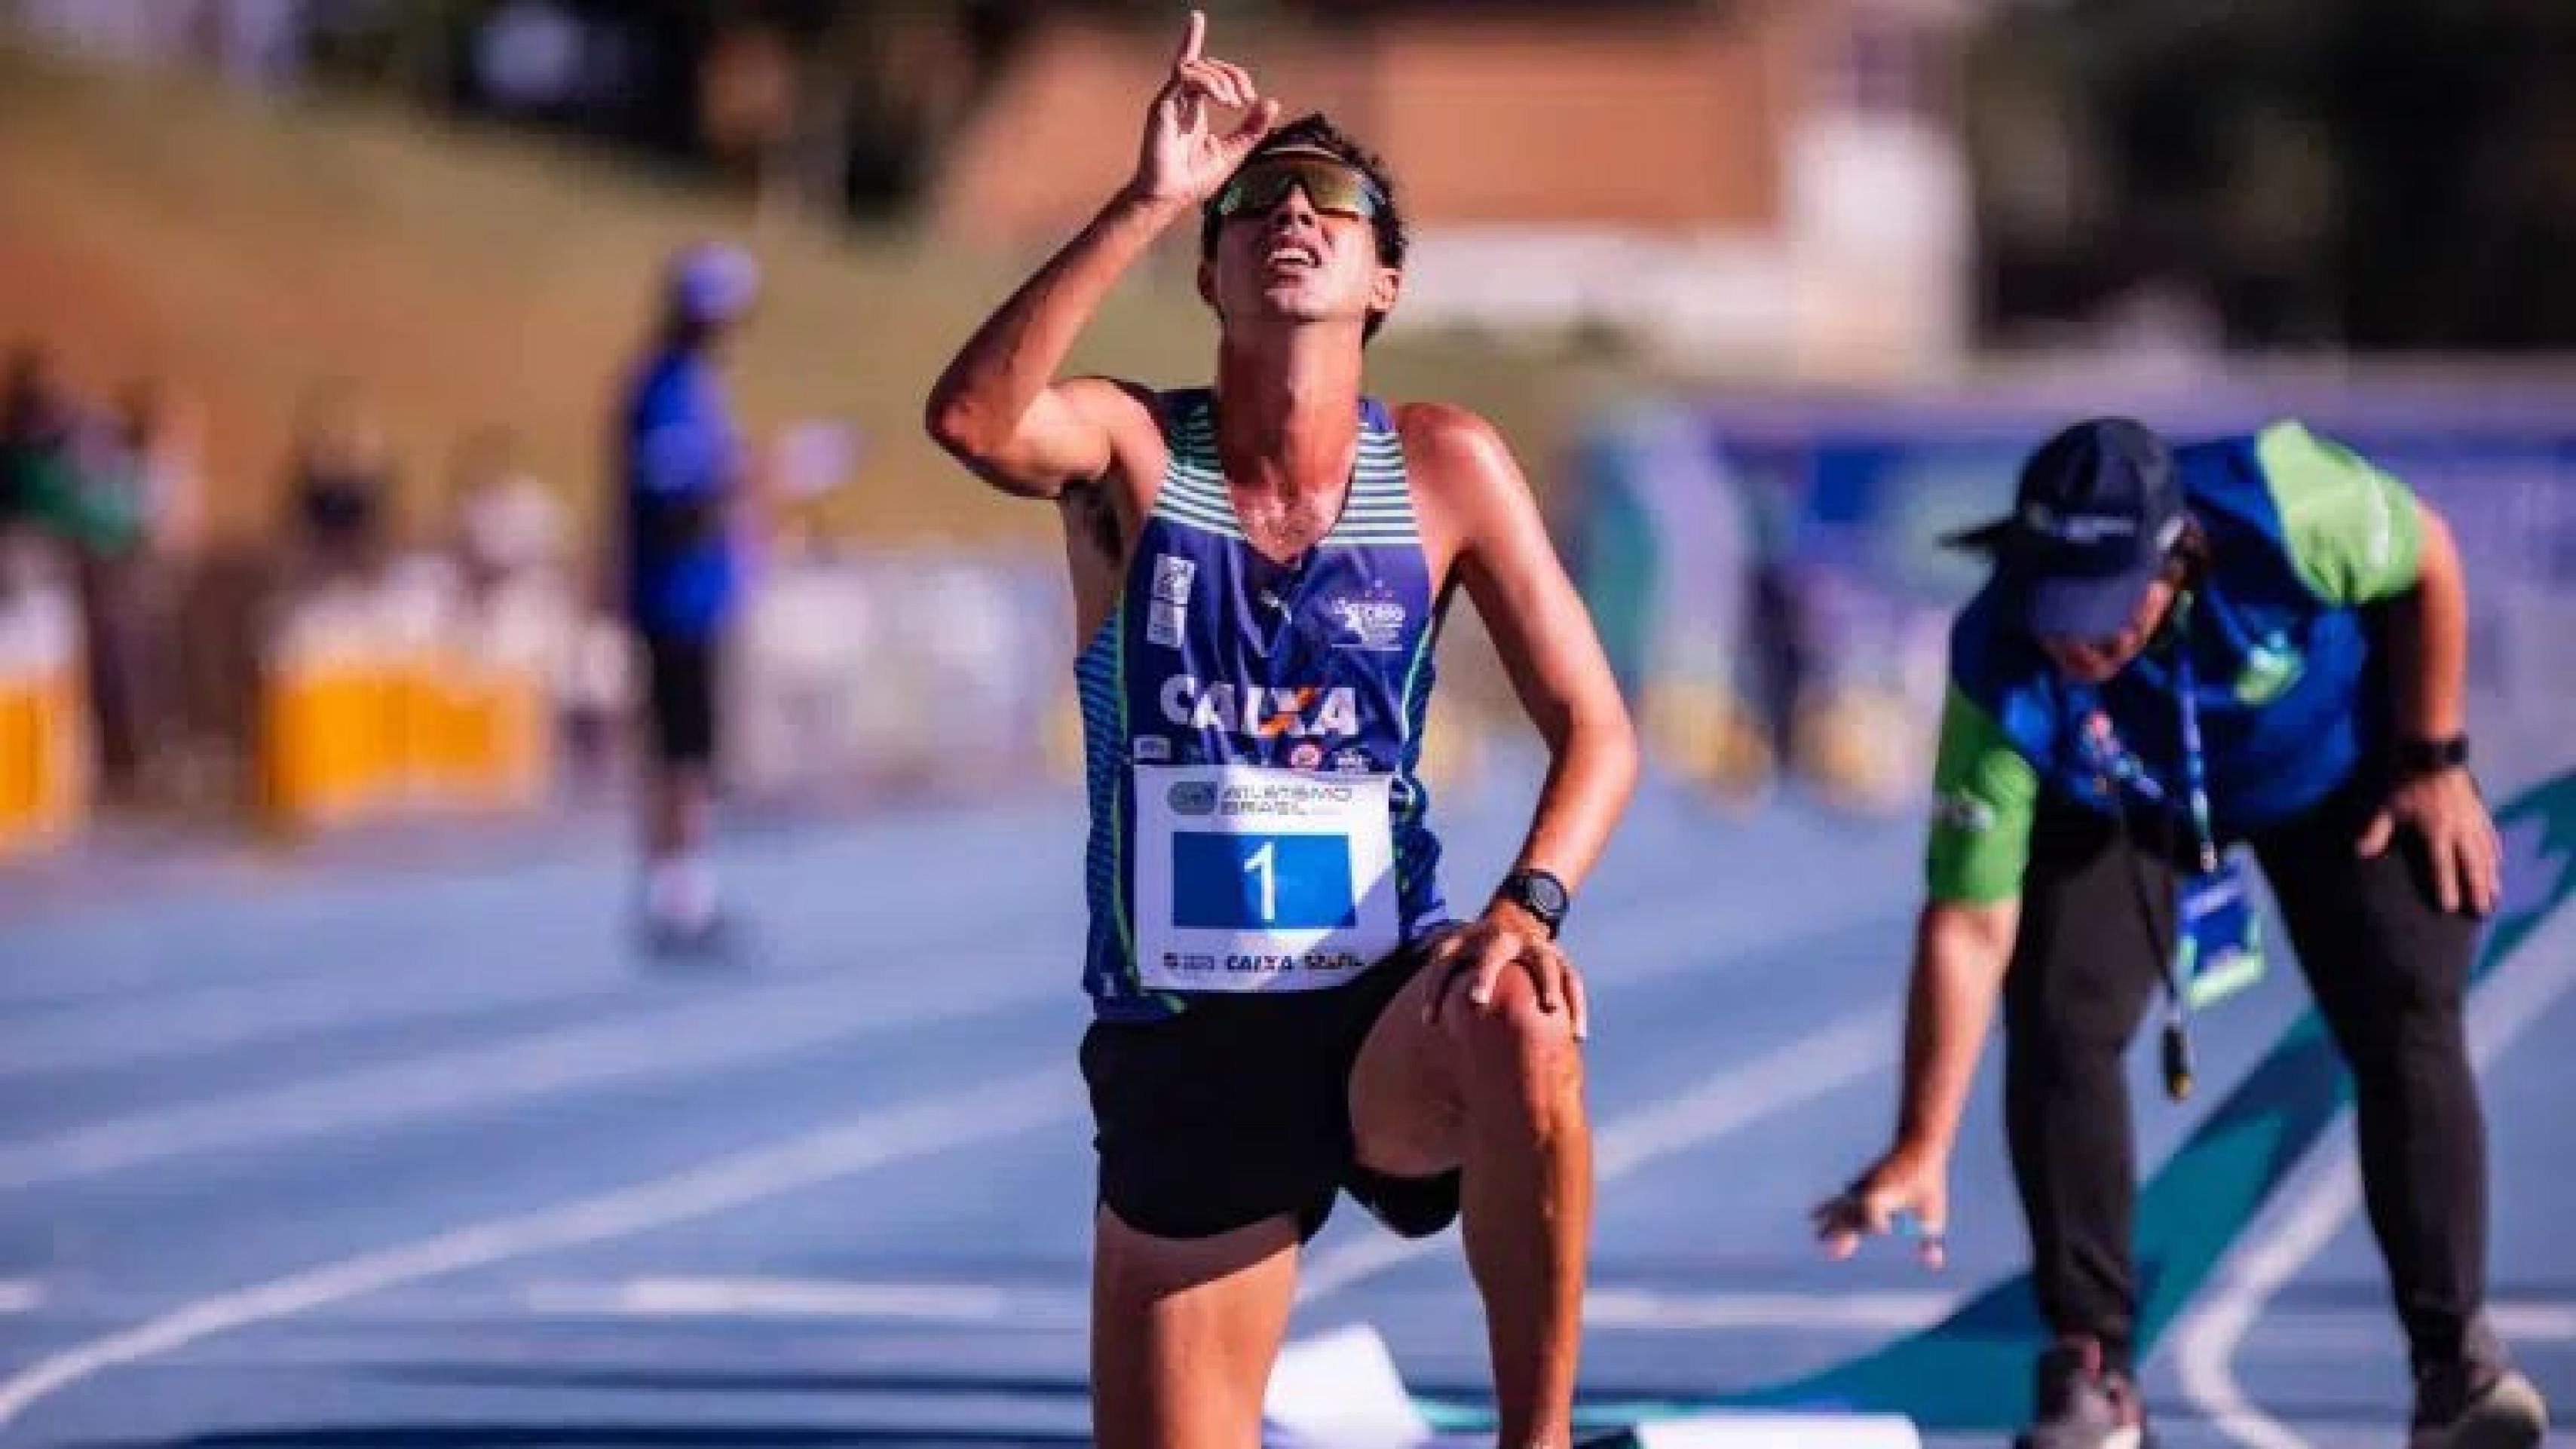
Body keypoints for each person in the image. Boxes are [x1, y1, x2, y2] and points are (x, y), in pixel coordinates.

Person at [924, 14, 1637, 1447]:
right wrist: (1150, 195)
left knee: (1523, 1011)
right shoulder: (1134, 451)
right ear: (1211, 267)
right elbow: (973, 420)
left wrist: (1526, 902)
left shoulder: (1444, 466)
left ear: (1385, 278)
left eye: (1333, 205)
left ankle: (1534, 1438)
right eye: (1257, 204)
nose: (1291, 214)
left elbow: (1597, 730)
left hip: (1382, 997)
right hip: (1188, 1042)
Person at [1813, 418, 2551, 1449]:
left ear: (2177, 559)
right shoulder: (1999, 662)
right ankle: (2092, 1371)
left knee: (2406, 1003)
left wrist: (2432, 756)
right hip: (2125, 798)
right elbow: (1970, 923)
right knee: (2060, 1014)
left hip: (2334, 772)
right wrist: (1920, 1140)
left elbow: (2427, 552)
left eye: (2106, 619)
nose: (2075, 644)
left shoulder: (2288, 504)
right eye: (2054, 610)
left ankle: (2454, 1365)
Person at [612, 242, 761, 954]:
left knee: (692, 748)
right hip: (674, 596)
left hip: (697, 595)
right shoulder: (666, 388)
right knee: (679, 748)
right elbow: (677, 508)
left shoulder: (692, 385)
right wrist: (754, 478)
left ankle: (685, 885)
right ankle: (675, 892)